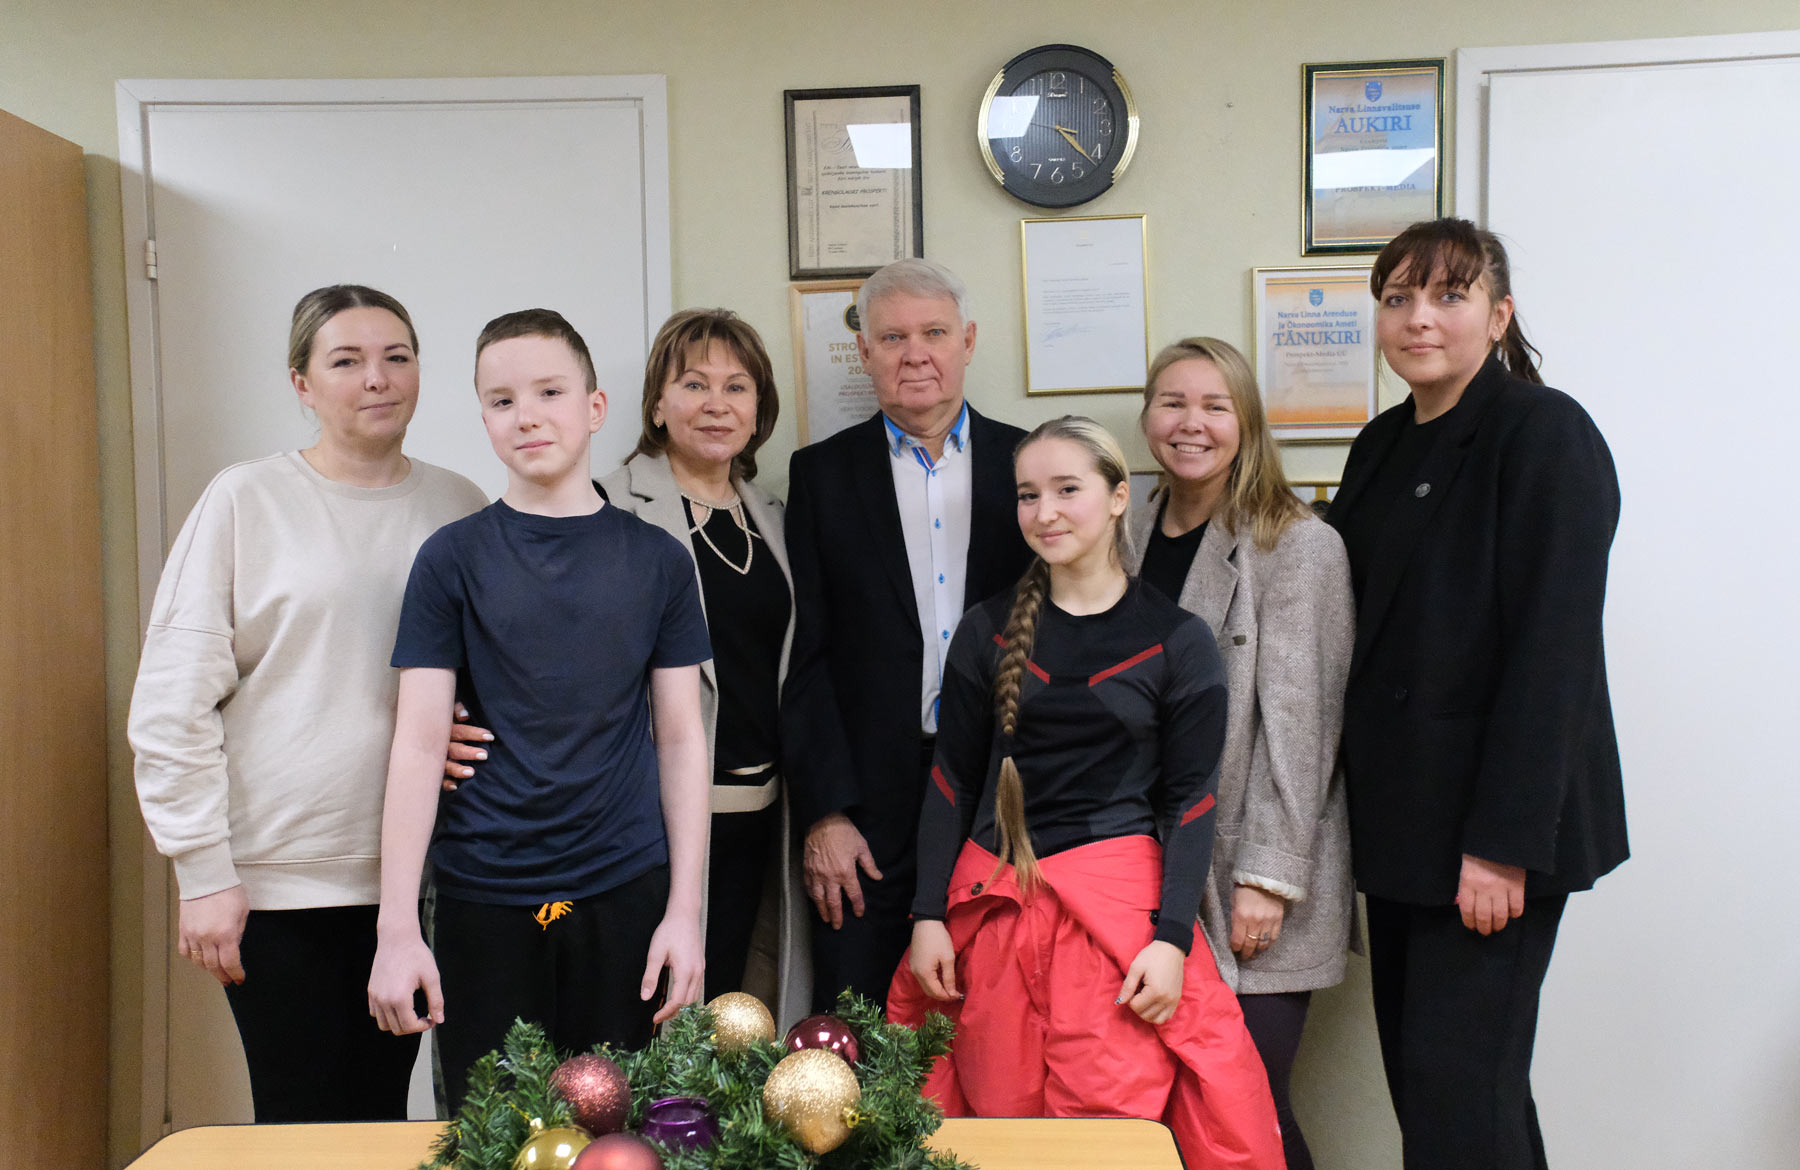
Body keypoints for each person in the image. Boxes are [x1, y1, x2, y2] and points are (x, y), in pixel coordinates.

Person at [127, 285, 489, 1121]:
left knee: (382, 1120)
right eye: (346, 361)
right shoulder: (245, 500)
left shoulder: (461, 506)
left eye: (397, 357)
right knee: (299, 1124)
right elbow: (171, 703)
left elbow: (490, 676)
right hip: (279, 886)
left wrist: (465, 727)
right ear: (301, 383)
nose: (377, 378)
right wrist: (202, 872)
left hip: (421, 883)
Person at [889, 416, 1285, 1170]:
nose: (1045, 512)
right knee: (996, 1129)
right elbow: (950, 781)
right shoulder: (985, 631)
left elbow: (1191, 801)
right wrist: (928, 915)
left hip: (1116, 933)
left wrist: (1172, 940)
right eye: (1027, 494)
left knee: (1109, 1132)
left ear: (1117, 496)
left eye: (1067, 489)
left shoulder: (1178, 639)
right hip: (992, 918)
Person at [1325, 218, 1627, 1170]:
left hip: (1492, 839)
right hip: (1403, 827)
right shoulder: (1380, 445)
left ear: (1498, 317)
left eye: (1448, 296)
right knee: (1445, 1096)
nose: (1419, 318)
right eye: (1398, 298)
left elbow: (1553, 655)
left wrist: (1501, 846)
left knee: (1460, 1099)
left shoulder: (1545, 432)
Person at [366, 309, 711, 1110]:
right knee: (491, 1138)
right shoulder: (451, 559)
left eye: (549, 392)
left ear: (594, 407)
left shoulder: (658, 560)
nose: (526, 415)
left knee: (619, 1136)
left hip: (624, 890)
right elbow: (418, 743)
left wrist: (685, 912)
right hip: (483, 893)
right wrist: (397, 927)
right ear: (483, 417)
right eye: (502, 400)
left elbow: (681, 739)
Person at [782, 258, 1032, 1009]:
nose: (915, 354)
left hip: (999, 788)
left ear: (969, 341)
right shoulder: (821, 475)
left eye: (934, 333)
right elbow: (807, 656)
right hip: (866, 803)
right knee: (854, 1018)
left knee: (992, 1012)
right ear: (864, 352)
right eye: (893, 337)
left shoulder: (1031, 464)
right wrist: (826, 812)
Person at [1129, 335, 1354, 1170]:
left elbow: (1304, 726)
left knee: (1248, 1112)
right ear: (1147, 416)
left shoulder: (1296, 545)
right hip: (1147, 871)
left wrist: (1269, 876)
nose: (1191, 424)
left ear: (1247, 423)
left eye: (1214, 406)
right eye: (1173, 403)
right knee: (1171, 1115)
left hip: (1249, 881)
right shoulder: (1124, 528)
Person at [596, 308, 809, 1021]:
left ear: (759, 409)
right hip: (651, 824)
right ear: (658, 404)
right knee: (649, 1024)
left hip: (766, 819)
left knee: (739, 1020)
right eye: (694, 384)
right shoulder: (608, 507)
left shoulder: (775, 516)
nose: (717, 404)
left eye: (736, 387)